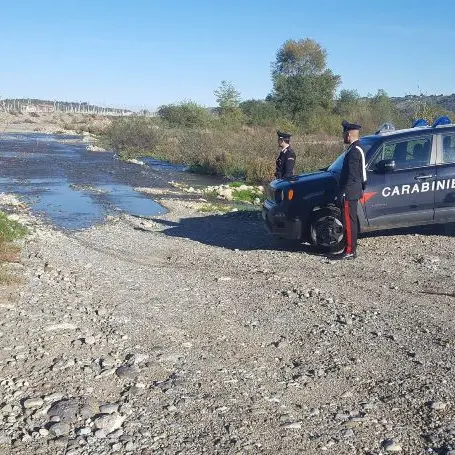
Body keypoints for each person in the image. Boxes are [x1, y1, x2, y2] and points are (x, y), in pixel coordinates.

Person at [338, 120, 366, 260]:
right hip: (353, 190)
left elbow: (353, 175)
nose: (343, 137)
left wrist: (344, 191)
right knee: (350, 220)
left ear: (348, 135)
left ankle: (350, 250)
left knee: (349, 222)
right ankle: (349, 248)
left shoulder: (354, 151)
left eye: (344, 134)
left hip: (350, 191)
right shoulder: (356, 148)